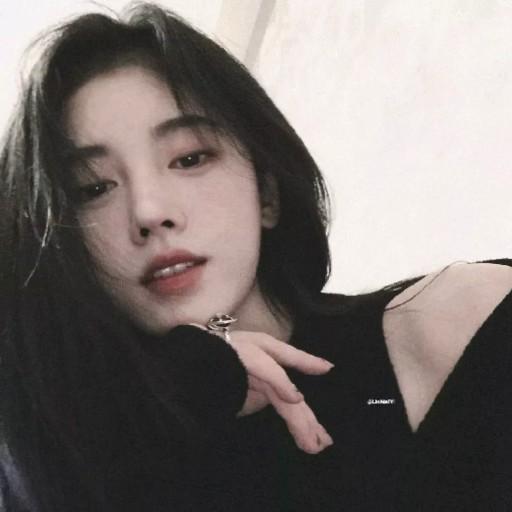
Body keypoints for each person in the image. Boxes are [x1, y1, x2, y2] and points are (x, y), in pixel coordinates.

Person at [1, 3, 512, 511]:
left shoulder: (455, 324)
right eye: (92, 188)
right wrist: (196, 380)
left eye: (190, 158)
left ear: (266, 192)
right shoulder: (78, 456)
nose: (150, 212)